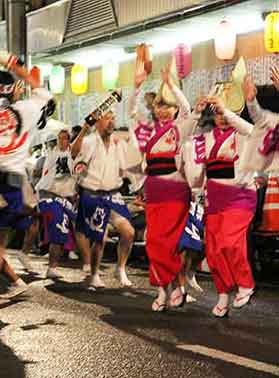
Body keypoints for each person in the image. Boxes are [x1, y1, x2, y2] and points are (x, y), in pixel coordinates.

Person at [0, 62, 52, 313]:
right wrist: (15, 64)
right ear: (12, 91)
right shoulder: (24, 110)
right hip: (12, 184)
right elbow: (43, 92)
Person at [184, 94, 256, 317]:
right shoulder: (205, 139)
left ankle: (246, 284)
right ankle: (223, 294)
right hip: (214, 199)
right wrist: (197, 192)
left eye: (227, 112)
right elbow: (198, 172)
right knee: (214, 251)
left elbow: (252, 131)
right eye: (218, 113)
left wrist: (227, 111)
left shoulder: (245, 134)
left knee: (229, 242)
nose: (222, 118)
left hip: (240, 197)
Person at [128, 64, 193, 311]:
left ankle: (174, 286)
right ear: (154, 108)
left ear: (175, 109)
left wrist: (172, 85)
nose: (163, 110)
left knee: (171, 242)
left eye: (168, 105)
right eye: (159, 105)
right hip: (154, 192)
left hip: (176, 191)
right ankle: (162, 288)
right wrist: (136, 86)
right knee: (153, 241)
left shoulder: (181, 128)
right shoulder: (148, 131)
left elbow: (188, 110)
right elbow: (132, 112)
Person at [71, 111, 136, 288]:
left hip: (113, 194)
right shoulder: (89, 141)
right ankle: (94, 274)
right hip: (93, 194)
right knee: (100, 238)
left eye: (113, 118)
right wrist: (85, 128)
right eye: (107, 118)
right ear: (97, 123)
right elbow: (73, 153)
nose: (111, 122)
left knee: (129, 232)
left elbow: (129, 162)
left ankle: (120, 268)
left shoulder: (117, 142)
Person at [35, 129, 77, 279]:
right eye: (59, 139)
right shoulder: (53, 154)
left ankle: (85, 260)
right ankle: (52, 267)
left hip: (63, 198)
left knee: (79, 224)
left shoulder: (73, 157)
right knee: (58, 230)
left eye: (65, 139)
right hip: (48, 197)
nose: (61, 141)